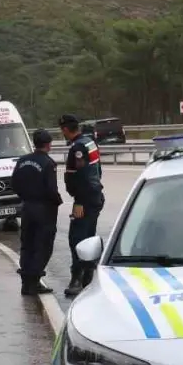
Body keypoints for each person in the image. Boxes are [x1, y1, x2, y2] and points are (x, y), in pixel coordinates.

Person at [11, 128, 63, 296]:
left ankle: (26, 282)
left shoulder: (22, 161)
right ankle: (34, 281)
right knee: (43, 246)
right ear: (48, 144)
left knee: (27, 244)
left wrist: (26, 197)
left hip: (27, 207)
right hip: (44, 210)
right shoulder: (48, 163)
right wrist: (58, 201)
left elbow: (14, 184)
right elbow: (51, 189)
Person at [58, 113, 104, 297]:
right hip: (95, 195)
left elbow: (82, 175)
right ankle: (88, 276)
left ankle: (77, 279)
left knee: (76, 239)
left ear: (65, 129)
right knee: (88, 236)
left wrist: (78, 201)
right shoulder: (90, 142)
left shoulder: (77, 147)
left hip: (84, 199)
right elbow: (98, 170)